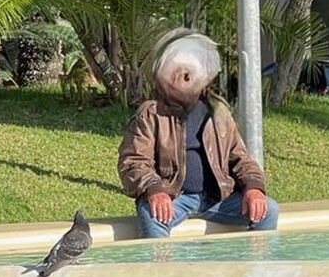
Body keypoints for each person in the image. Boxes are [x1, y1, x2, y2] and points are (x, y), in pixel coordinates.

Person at [118, 29, 278, 238]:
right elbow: (133, 161)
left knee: (269, 210)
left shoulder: (218, 111)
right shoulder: (151, 113)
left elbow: (241, 158)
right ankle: (159, 261)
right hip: (174, 197)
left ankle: (256, 259)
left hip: (218, 199)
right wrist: (154, 189)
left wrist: (253, 187)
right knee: (152, 215)